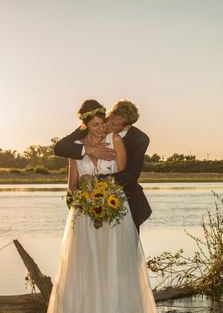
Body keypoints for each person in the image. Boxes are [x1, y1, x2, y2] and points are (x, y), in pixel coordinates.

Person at [43, 100, 158, 313]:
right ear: (86, 124)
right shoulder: (75, 148)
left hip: (115, 209)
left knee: (117, 265)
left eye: (106, 122)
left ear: (123, 123)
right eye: (98, 123)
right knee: (87, 268)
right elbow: (72, 185)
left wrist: (99, 187)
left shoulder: (119, 140)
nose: (104, 127)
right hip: (85, 214)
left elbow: (127, 176)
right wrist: (83, 192)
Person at [54, 99, 152, 232]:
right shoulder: (95, 123)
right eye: (109, 119)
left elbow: (131, 175)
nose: (106, 126)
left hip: (126, 201)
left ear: (126, 127)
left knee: (123, 248)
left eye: (114, 124)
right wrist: (90, 149)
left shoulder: (140, 139)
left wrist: (93, 182)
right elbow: (60, 147)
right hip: (85, 204)